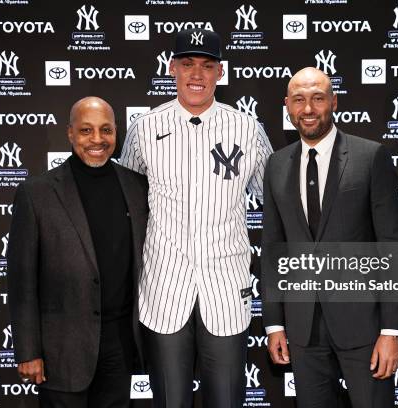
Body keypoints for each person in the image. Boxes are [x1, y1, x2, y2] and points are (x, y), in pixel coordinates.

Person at [120, 29, 273, 407]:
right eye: (188, 64)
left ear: (220, 72)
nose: (197, 74)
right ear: (172, 68)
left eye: (207, 65)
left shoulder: (247, 129)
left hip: (225, 286)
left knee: (226, 400)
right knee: (171, 401)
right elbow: (128, 201)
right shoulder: (145, 128)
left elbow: (275, 197)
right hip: (164, 288)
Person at [261, 67, 398, 408]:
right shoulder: (276, 165)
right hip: (302, 329)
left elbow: (392, 248)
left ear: (334, 102)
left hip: (364, 327)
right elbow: (272, 250)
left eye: (317, 98)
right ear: (288, 106)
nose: (308, 109)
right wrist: (273, 324)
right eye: (299, 100)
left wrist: (391, 331)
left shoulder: (370, 157)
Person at [7, 97, 148, 407]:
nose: (97, 140)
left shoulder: (138, 187)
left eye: (105, 130)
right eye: (86, 130)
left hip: (121, 345)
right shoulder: (37, 193)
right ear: (70, 133)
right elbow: (22, 282)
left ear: (116, 133)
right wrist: (28, 350)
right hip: (62, 348)